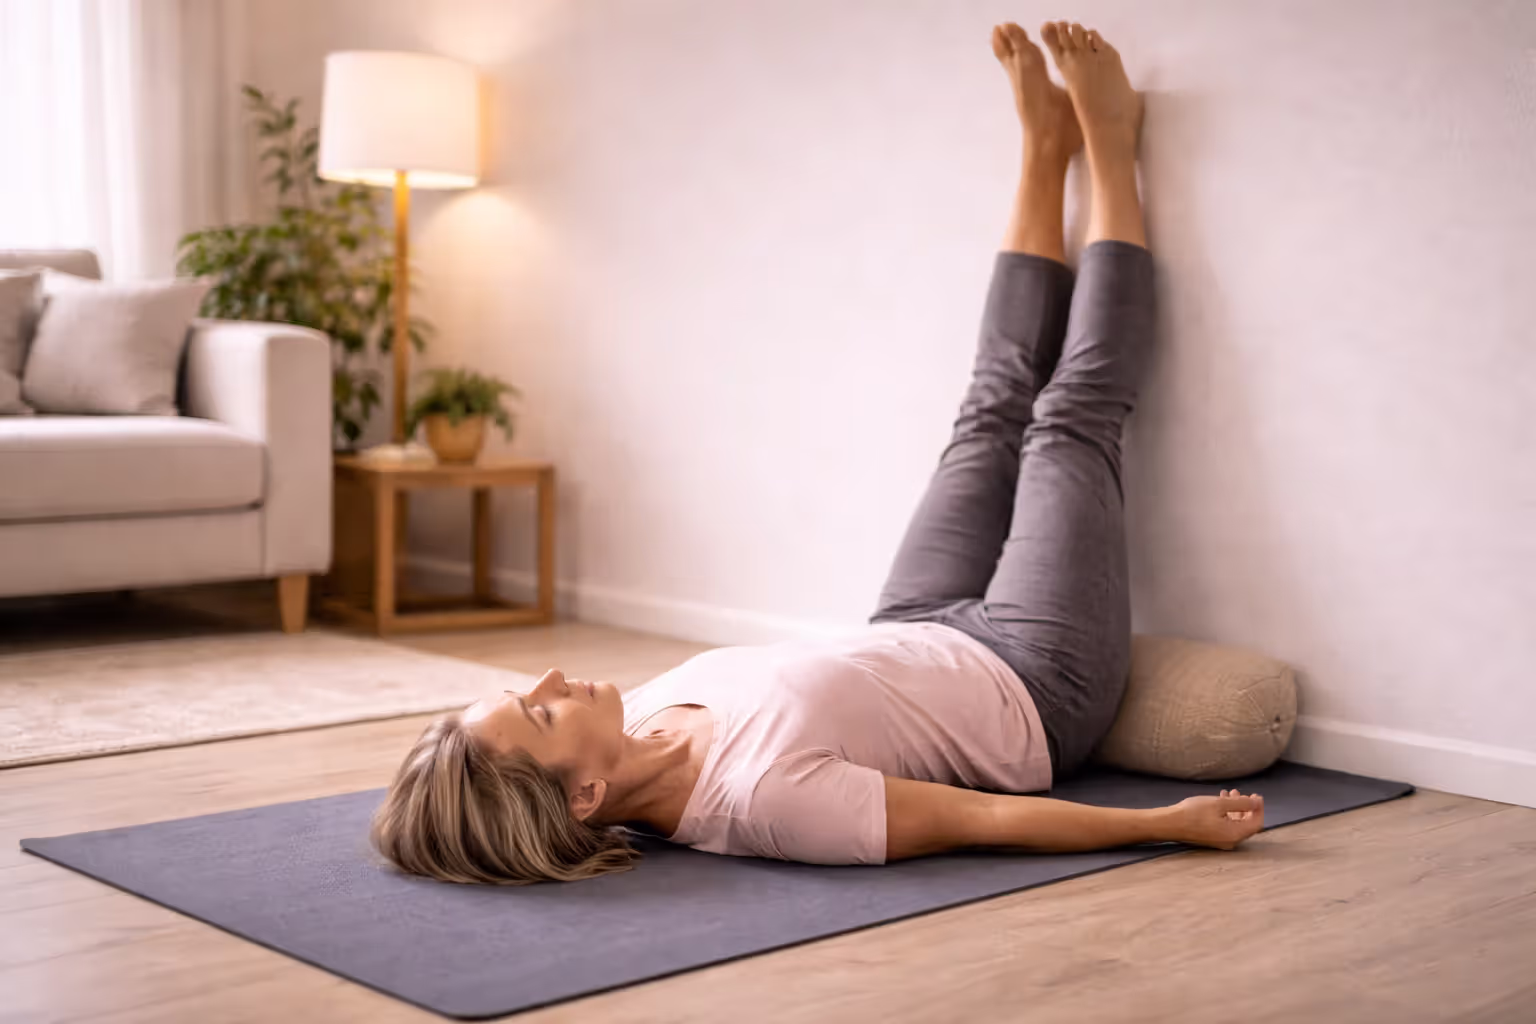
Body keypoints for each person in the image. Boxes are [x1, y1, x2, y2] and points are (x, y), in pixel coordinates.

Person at [372, 21, 1266, 886]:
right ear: (587, 796)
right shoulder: (767, 802)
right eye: (540, 710)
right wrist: (1161, 826)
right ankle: (1110, 146)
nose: (554, 677)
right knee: (1069, 417)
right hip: (1036, 682)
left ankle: (1041, 153)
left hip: (913, 623)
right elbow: (978, 820)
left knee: (989, 405)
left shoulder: (630, 722)